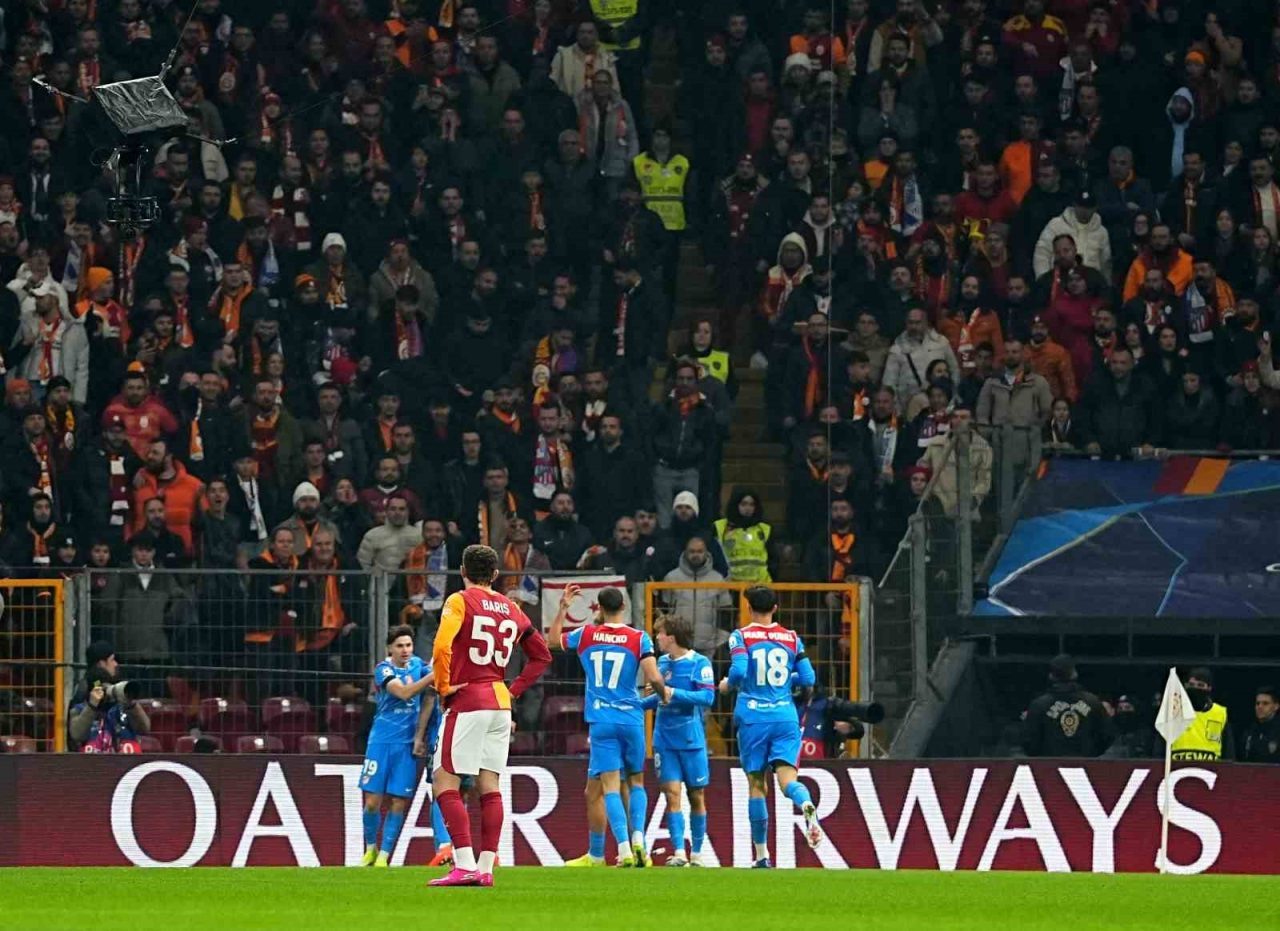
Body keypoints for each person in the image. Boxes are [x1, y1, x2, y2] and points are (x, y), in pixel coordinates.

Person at [429, 544, 553, 887]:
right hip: (500, 701)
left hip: (468, 699)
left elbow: (441, 645)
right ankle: (486, 868)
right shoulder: (512, 608)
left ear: (462, 571)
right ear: (495, 575)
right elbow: (542, 656)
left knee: (444, 781)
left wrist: (443, 686)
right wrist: (514, 690)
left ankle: (464, 864)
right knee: (490, 784)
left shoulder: (459, 600)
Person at [549, 584, 668, 868]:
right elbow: (653, 677)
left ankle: (624, 850)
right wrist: (663, 695)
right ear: (624, 606)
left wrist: (563, 608)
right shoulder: (639, 638)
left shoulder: (586, 634)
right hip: (632, 719)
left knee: (610, 786)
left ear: (599, 609)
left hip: (602, 720)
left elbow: (552, 642)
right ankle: (635, 842)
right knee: (633, 782)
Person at [718, 585, 822, 868]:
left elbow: (739, 671)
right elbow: (808, 678)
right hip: (785, 716)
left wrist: (727, 685)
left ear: (749, 608)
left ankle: (762, 855)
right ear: (775, 608)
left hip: (753, 717)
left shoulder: (740, 636)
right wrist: (785, 680)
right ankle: (806, 804)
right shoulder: (791, 638)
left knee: (756, 784)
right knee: (788, 781)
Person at [360, 625, 438, 868]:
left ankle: (384, 857)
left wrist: (419, 736)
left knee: (398, 801)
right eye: (400, 646)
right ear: (390, 649)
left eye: (408, 645)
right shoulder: (383, 670)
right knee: (372, 802)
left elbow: (431, 696)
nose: (405, 650)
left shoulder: (419, 665)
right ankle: (370, 849)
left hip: (406, 744)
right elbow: (404, 693)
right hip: (381, 741)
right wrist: (433, 676)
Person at [641, 613, 714, 867]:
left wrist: (673, 692)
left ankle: (698, 853)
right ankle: (679, 852)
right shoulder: (662, 663)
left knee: (696, 796)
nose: (657, 638)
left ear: (671, 637)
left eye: (660, 633)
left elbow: (707, 698)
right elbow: (660, 698)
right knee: (672, 795)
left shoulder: (699, 663)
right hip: (664, 740)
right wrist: (636, 705)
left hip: (691, 741)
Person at [1020, 654, 1112, 758]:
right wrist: (1091, 755)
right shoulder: (1093, 702)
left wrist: (1044, 758)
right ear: (1074, 674)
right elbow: (1107, 736)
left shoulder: (1038, 705)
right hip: (1086, 763)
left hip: (1049, 765)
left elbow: (1029, 741)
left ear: (1051, 676)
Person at [66, 640, 150, 752]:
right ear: (101, 663)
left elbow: (144, 728)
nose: (116, 664)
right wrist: (92, 706)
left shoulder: (121, 690)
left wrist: (131, 703)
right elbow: (76, 735)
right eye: (112, 660)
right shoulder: (83, 691)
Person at [1158, 666, 1234, 762]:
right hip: (1177, 769)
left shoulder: (1219, 714)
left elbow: (1229, 754)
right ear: (1185, 686)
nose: (1195, 688)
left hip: (1211, 770)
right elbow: (1159, 750)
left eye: (1200, 685)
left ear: (1209, 688)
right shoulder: (1172, 712)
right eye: (1191, 684)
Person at [1241, 686, 1280, 764]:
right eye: (1257, 703)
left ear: (1276, 706)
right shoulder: (1249, 732)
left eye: (1265, 703)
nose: (1260, 707)